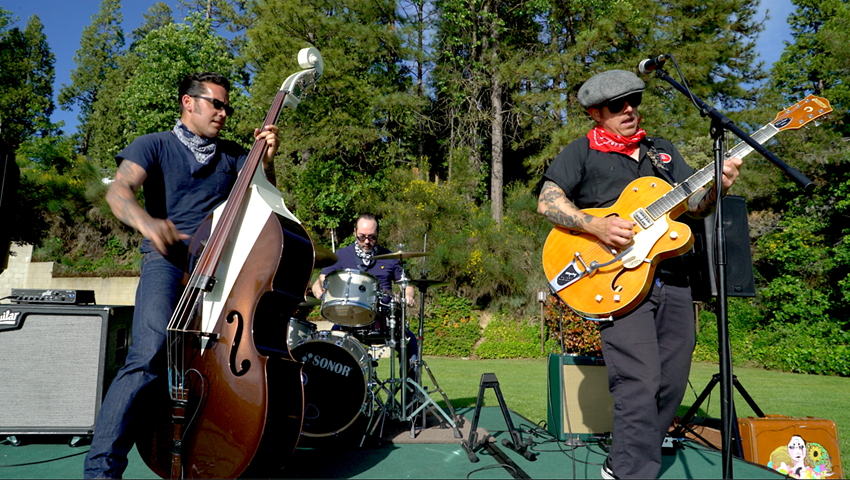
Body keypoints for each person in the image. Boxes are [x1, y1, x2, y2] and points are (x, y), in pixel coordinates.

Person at [536, 69, 742, 479]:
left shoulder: (661, 151)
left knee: (671, 383)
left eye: (635, 100)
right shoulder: (582, 152)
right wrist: (596, 225)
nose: (629, 109)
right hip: (616, 281)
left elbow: (695, 206)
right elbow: (547, 202)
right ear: (597, 113)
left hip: (673, 278)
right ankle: (632, 472)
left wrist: (719, 187)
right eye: (618, 105)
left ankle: (620, 464)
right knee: (638, 381)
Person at [83, 72, 280, 479]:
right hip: (167, 262)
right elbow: (118, 191)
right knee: (149, 353)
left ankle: (212, 454)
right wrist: (149, 224)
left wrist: (267, 162)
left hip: (221, 271)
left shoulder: (234, 155)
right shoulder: (154, 144)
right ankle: (101, 469)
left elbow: (266, 202)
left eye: (227, 107)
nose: (223, 113)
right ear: (188, 102)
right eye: (216, 104)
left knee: (221, 363)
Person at [310, 213, 419, 370]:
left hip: (383, 320)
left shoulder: (390, 257)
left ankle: (409, 385)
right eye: (362, 237)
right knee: (332, 344)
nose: (367, 241)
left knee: (410, 341)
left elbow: (407, 285)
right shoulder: (342, 255)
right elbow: (321, 278)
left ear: (378, 234)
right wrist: (318, 289)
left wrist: (408, 296)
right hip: (348, 321)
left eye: (372, 237)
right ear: (355, 232)